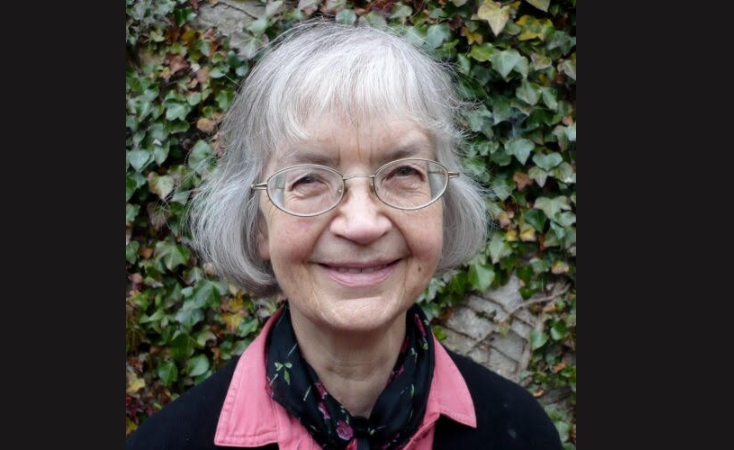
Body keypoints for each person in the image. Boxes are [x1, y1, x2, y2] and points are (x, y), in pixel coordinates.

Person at [127, 19, 563, 450]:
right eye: (308, 179)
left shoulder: (523, 435)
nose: (362, 224)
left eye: (403, 172)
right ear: (258, 224)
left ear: (443, 205)